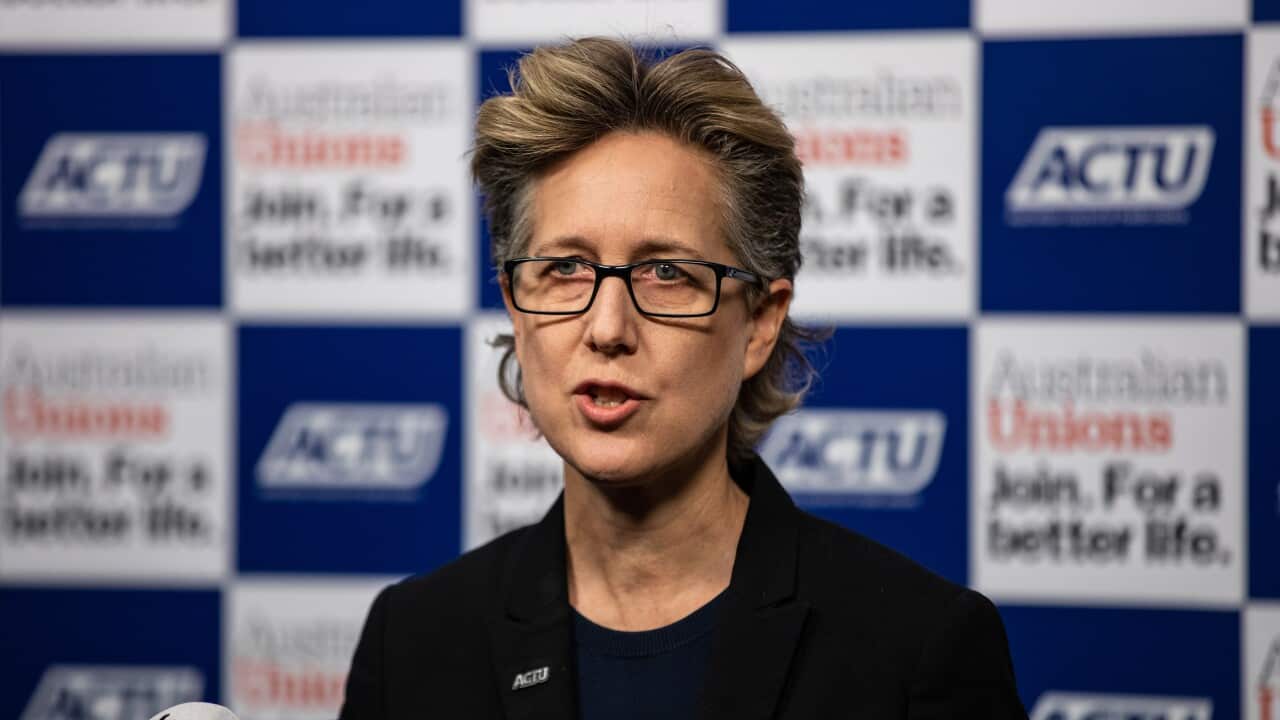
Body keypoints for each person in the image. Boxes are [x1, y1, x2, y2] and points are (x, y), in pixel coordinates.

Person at [339, 37, 1026, 719]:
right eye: (565, 269)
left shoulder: (920, 649)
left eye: (665, 272)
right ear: (516, 306)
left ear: (759, 322)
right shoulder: (413, 641)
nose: (607, 328)